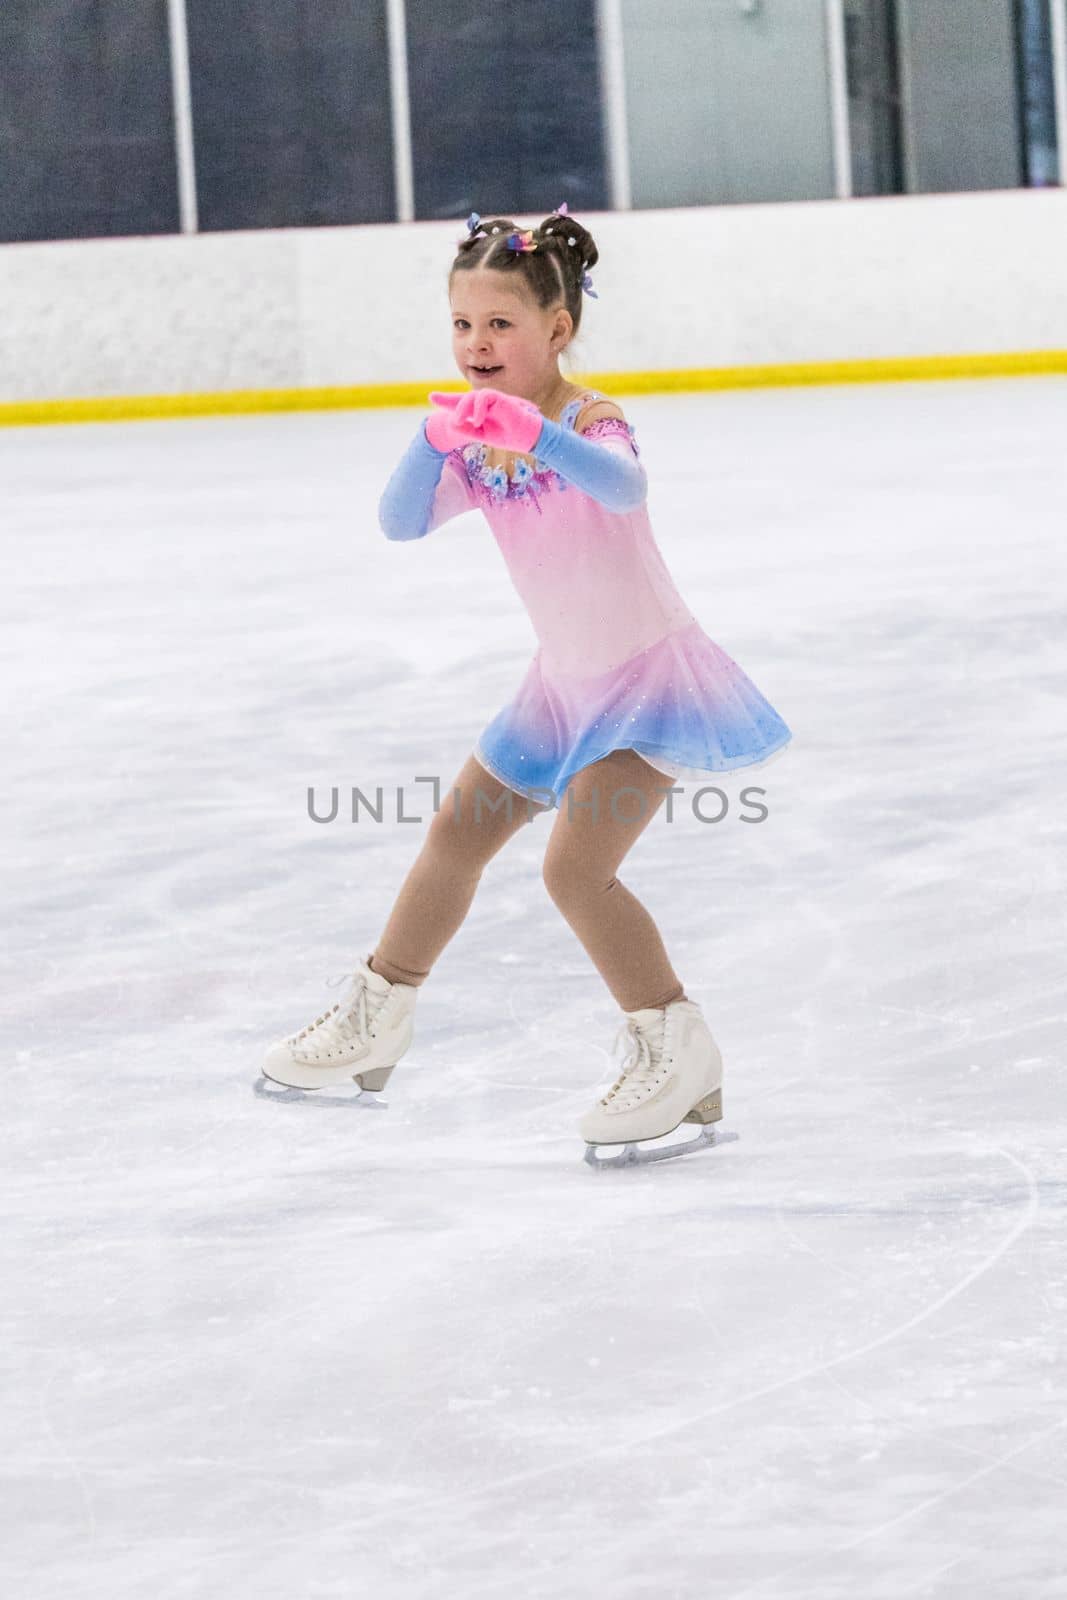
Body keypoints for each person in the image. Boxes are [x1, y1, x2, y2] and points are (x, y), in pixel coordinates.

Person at [261, 204, 792, 1164]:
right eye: (462, 325)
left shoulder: (590, 421)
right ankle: (379, 1011)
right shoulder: (479, 440)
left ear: (557, 331)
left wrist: (534, 433)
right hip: (560, 690)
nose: (476, 343)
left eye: (500, 324)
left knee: (571, 869)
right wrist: (433, 441)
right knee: (455, 835)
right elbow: (399, 524)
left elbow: (623, 488)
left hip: (650, 683)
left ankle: (674, 1043)